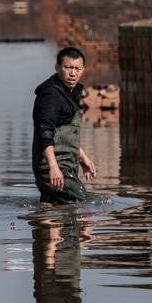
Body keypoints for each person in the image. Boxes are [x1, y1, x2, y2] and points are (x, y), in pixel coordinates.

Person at [32, 47, 97, 204]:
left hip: (64, 165)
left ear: (83, 70)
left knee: (54, 209)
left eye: (77, 68)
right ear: (57, 67)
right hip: (54, 166)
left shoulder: (68, 93)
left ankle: (46, 226)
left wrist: (83, 158)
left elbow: (64, 134)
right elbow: (45, 132)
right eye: (68, 67)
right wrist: (53, 167)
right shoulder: (51, 95)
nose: (73, 73)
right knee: (83, 203)